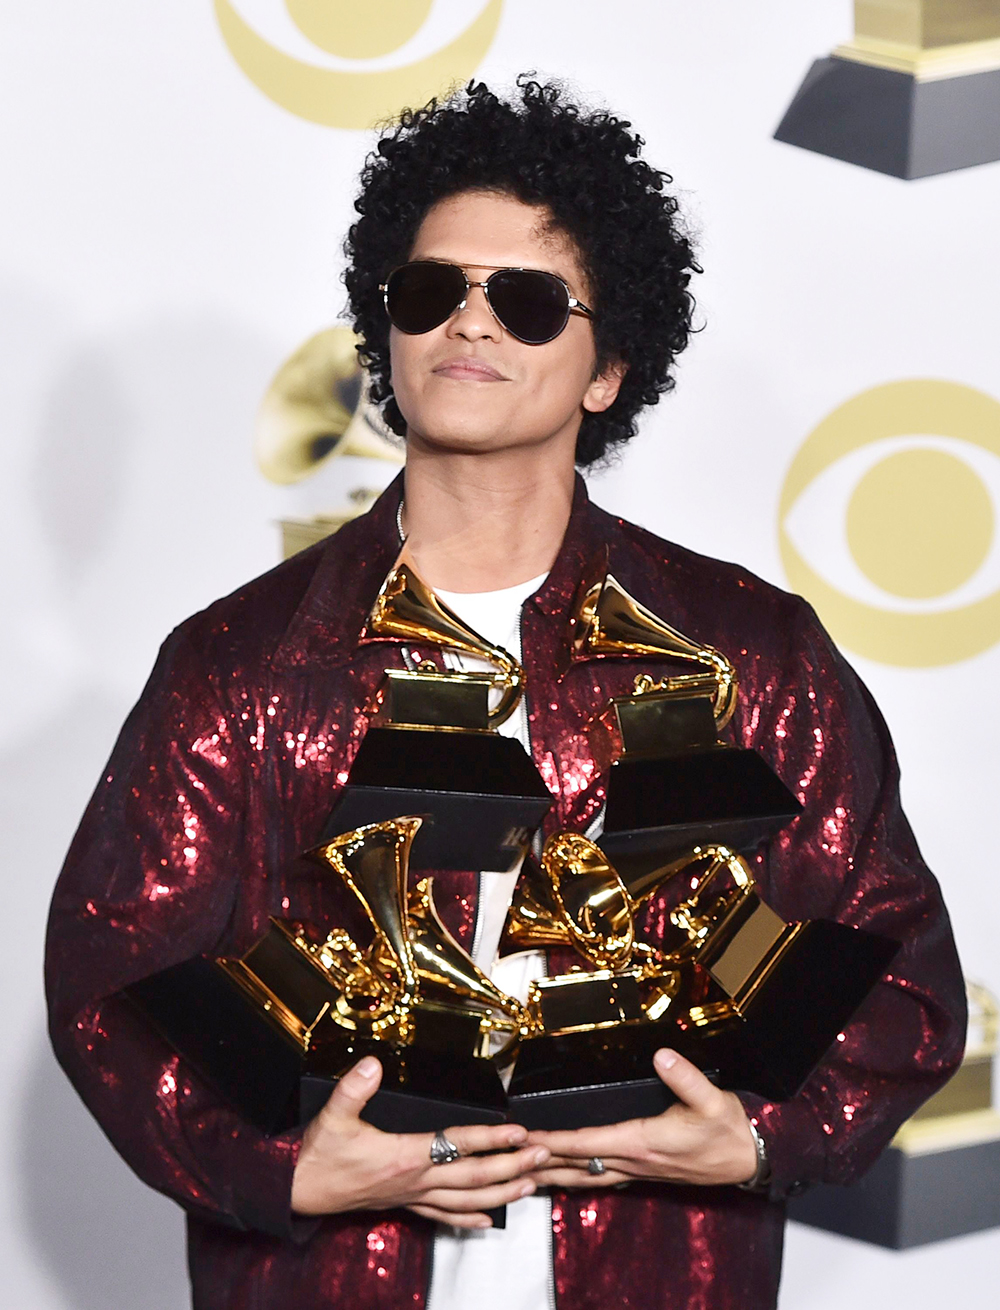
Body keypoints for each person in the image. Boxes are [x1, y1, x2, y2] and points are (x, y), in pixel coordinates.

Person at [46, 79, 966, 1309]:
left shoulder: (750, 652)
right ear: (388, 329)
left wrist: (757, 1139)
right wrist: (282, 1167)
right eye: (432, 292)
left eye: (527, 302)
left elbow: (896, 969)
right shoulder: (241, 666)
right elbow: (112, 974)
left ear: (607, 369)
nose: (470, 326)